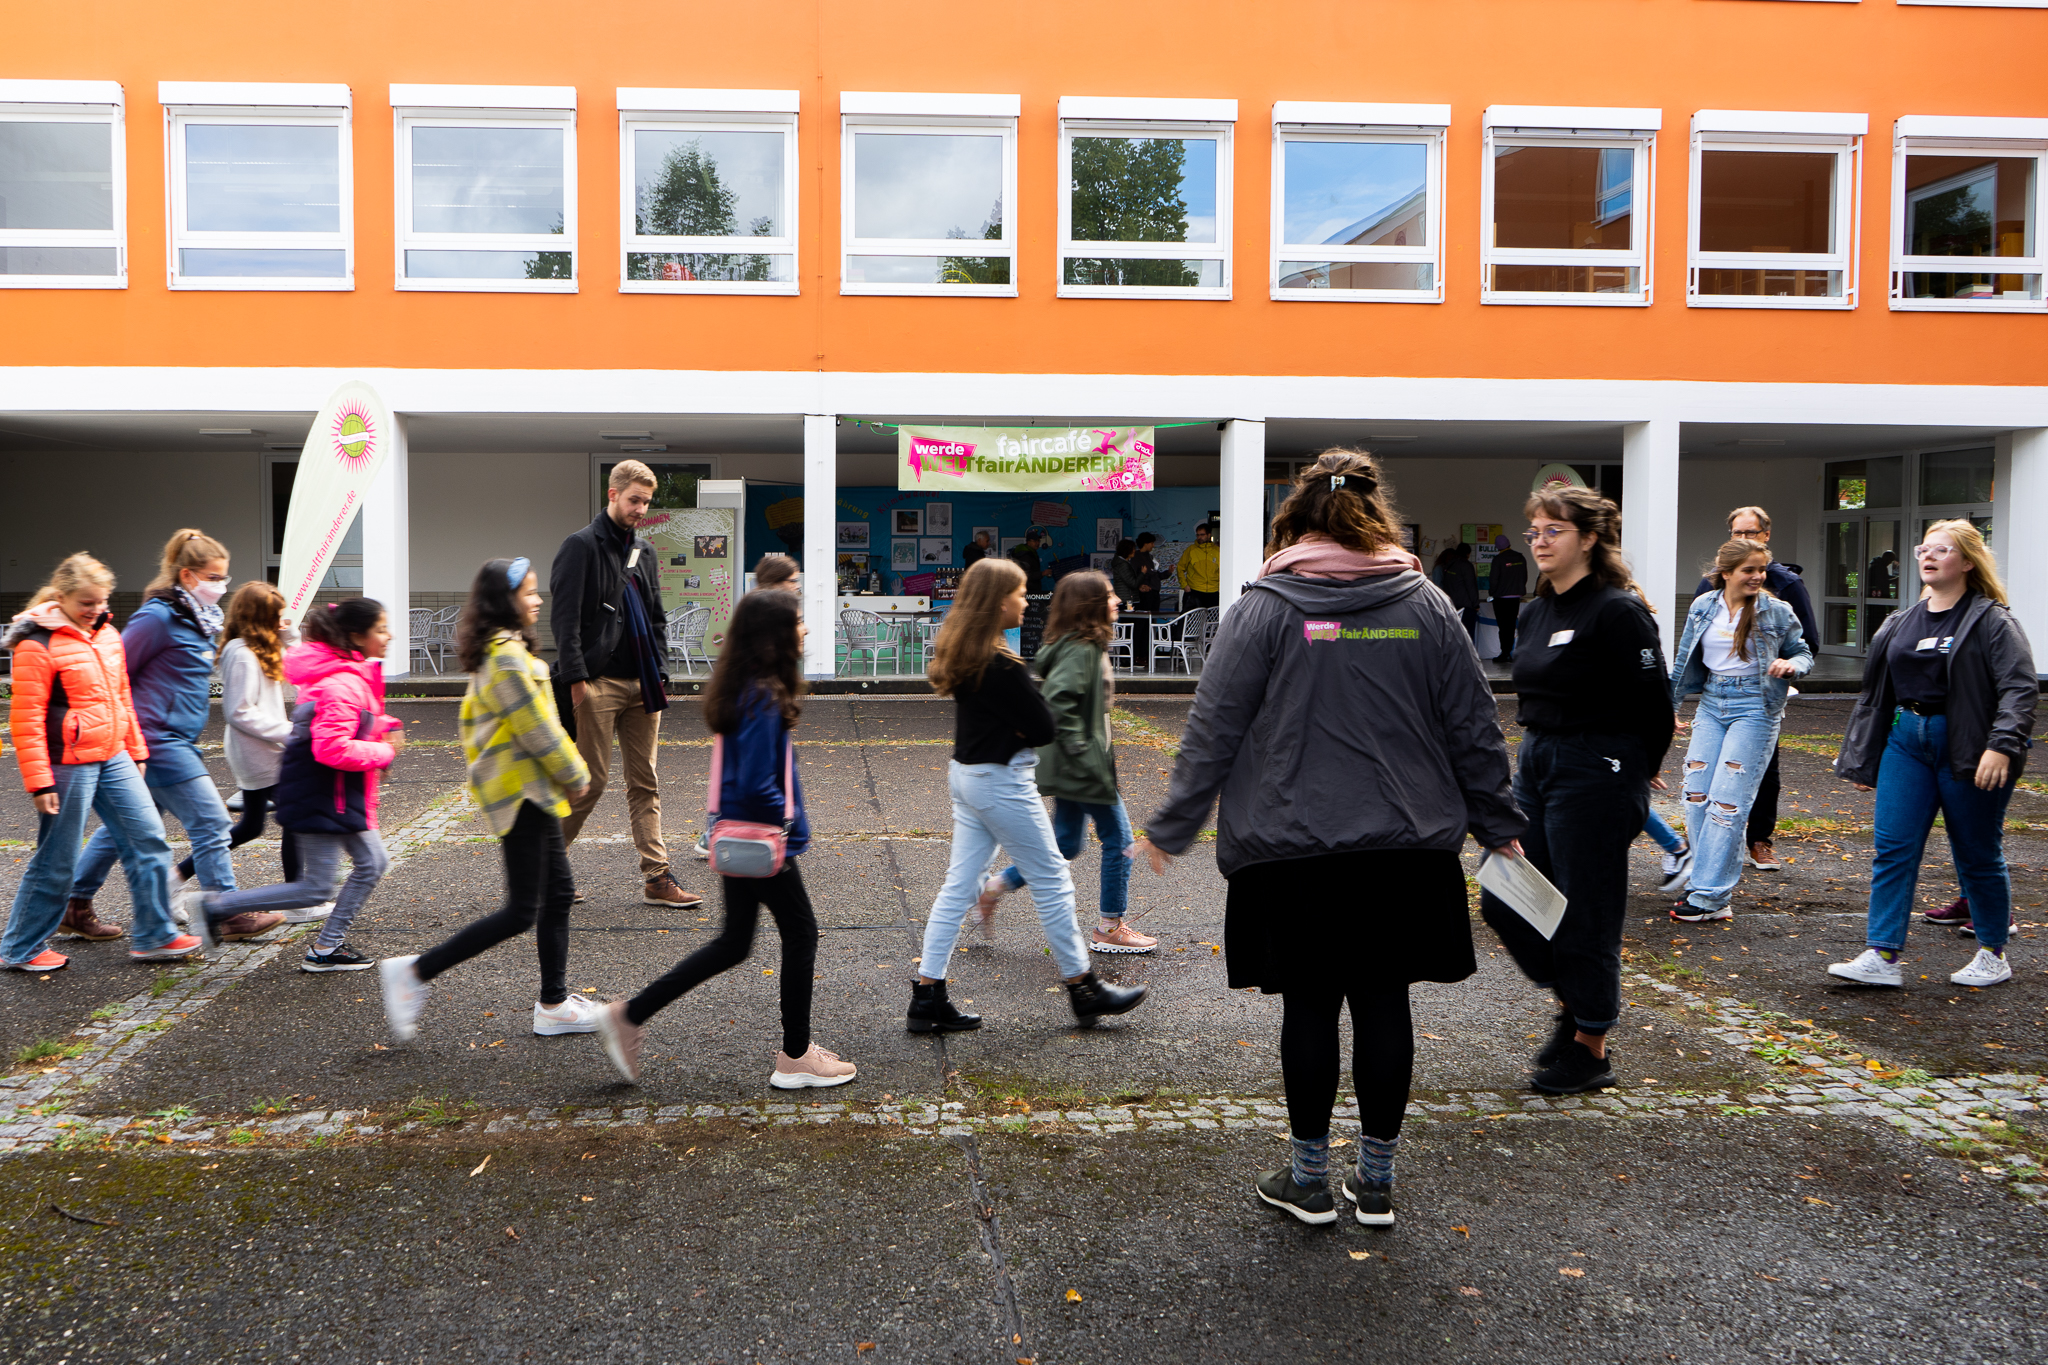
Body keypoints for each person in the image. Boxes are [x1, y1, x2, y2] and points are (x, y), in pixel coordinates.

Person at [1140, 449, 1524, 1229]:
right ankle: (1375, 1182)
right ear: (1375, 514)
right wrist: (1499, 825)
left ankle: (1309, 1177)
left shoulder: (1266, 607)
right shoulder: (1424, 604)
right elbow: (1474, 727)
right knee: (1386, 1002)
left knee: (1310, 1007)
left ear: (1297, 515)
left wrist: (1174, 823)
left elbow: (1215, 725)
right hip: (1405, 850)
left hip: (1294, 850)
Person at [593, 590, 858, 1089]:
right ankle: (797, 1056)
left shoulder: (744, 689)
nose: (805, 630)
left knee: (735, 942)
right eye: (798, 622)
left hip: (736, 837)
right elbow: (758, 782)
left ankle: (629, 1014)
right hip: (761, 842)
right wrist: (787, 824)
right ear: (775, 635)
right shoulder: (762, 697)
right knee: (801, 932)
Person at [1480, 488, 1675, 1096]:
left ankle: (1591, 1045)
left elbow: (1656, 704)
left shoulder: (1617, 611)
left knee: (1586, 914)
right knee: (1505, 896)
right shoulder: (1537, 611)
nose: (1539, 540)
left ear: (1589, 538)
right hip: (1539, 758)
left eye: (1553, 530)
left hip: (1599, 764)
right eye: (1534, 529)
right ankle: (1573, 1001)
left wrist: (1638, 767)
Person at [907, 557, 1147, 1034]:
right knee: (1054, 877)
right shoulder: (1002, 664)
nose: (1025, 601)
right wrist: (1029, 718)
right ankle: (1083, 988)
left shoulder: (969, 656)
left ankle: (927, 994)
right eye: (1019, 593)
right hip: (1001, 782)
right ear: (999, 603)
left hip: (969, 777)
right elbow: (1042, 726)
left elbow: (1032, 719)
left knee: (959, 886)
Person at [380, 559, 602, 1038]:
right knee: (523, 909)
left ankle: (554, 1003)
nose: (537, 600)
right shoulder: (504, 657)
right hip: (518, 790)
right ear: (505, 600)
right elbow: (535, 725)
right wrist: (576, 771)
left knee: (557, 894)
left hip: (529, 789)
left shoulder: (507, 651)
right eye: (528, 592)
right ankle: (414, 972)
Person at [1829, 520, 2035, 990]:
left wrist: (2001, 746)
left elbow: (2019, 689)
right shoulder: (1900, 621)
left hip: (1967, 745)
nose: (1928, 556)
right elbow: (1877, 694)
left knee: (1977, 851)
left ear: (1966, 562)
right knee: (1893, 849)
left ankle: (1992, 952)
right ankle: (1882, 955)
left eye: (1942, 550)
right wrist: (1868, 756)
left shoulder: (1990, 620)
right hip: (1906, 741)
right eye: (1925, 548)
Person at [65, 530, 282, 943]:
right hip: (157, 740)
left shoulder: (196, 618)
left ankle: (75, 904)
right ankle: (225, 912)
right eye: (214, 577)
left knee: (119, 829)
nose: (222, 585)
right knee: (213, 823)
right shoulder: (158, 617)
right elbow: (115, 671)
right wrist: (126, 730)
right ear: (186, 575)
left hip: (175, 739)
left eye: (224, 577)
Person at [2, 554, 202, 968]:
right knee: (57, 858)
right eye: (85, 603)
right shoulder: (36, 643)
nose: (94, 610)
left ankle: (154, 935)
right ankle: (20, 948)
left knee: (149, 839)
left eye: (100, 601)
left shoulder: (108, 634)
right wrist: (40, 782)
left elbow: (121, 696)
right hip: (66, 764)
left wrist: (137, 749)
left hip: (113, 755)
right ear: (60, 597)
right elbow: (26, 718)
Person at [195, 598, 402, 969]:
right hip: (323, 796)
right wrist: (383, 753)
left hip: (331, 794)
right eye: (382, 629)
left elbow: (351, 722)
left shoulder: (346, 673)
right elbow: (331, 748)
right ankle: (217, 906)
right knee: (317, 887)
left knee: (371, 863)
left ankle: (325, 949)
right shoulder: (342, 681)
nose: (389, 636)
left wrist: (388, 728)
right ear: (357, 636)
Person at [977, 570, 1159, 956]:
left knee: (1066, 843)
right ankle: (1110, 926)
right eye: (1110, 595)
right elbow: (1059, 703)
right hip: (1082, 766)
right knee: (1120, 841)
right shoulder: (1083, 650)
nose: (1117, 602)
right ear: (1090, 605)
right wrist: (1083, 752)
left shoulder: (1077, 645)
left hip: (1071, 765)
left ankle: (998, 885)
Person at [551, 459, 701, 910]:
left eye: (646, 502)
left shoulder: (645, 552)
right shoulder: (579, 547)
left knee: (645, 782)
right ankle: (543, 865)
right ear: (612, 494)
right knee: (588, 783)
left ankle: (656, 877)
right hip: (597, 683)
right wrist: (578, 683)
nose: (641, 509)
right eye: (635, 500)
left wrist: (660, 672)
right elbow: (565, 623)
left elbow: (657, 618)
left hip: (643, 684)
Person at [1668, 540, 1813, 924]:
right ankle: (1704, 880)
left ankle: (1712, 895)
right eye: (1749, 570)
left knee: (1728, 802)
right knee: (1696, 793)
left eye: (1761, 570)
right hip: (1713, 700)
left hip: (1756, 706)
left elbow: (1805, 652)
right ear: (1727, 572)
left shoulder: (1776, 610)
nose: (1758, 576)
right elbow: (1683, 660)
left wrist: (1790, 665)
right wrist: (1670, 708)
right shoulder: (1703, 606)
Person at [1691, 506, 1818, 873]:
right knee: (1703, 778)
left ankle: (1759, 840)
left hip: (1762, 694)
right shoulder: (1709, 587)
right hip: (1716, 696)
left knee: (1760, 769)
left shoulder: (1784, 586)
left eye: (1750, 533)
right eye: (1737, 533)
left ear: (1765, 536)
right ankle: (1705, 852)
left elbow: (1807, 641)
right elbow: (1692, 646)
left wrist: (1784, 666)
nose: (1744, 539)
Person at [180, 581, 316, 918]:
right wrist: (289, 732)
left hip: (264, 747)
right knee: (296, 818)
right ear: (258, 618)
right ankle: (294, 899)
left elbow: (300, 672)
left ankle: (174, 876)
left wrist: (290, 636)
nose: (283, 622)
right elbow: (238, 711)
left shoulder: (261, 646)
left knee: (251, 826)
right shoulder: (241, 653)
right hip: (258, 750)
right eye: (278, 617)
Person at [1489, 533, 1528, 662]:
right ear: (1509, 543)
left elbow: (1493, 580)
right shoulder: (1520, 557)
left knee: (1503, 626)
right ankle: (1509, 652)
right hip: (1515, 597)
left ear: (1497, 547)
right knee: (1511, 625)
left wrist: (1492, 592)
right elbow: (1524, 577)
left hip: (1501, 598)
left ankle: (1504, 653)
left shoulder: (1498, 560)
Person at [1438, 541, 1480, 640]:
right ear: (1468, 553)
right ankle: (1468, 655)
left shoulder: (1448, 565)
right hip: (1466, 606)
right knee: (1467, 636)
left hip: (1451, 605)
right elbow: (1471, 586)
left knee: (1453, 635)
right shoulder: (1466, 565)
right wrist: (1476, 604)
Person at [1176, 522, 1220, 610]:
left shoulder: (1217, 550)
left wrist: (1221, 587)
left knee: (1212, 621)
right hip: (1194, 590)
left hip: (1213, 591)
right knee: (1190, 621)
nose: (1199, 537)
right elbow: (1180, 568)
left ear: (1209, 535)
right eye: (1197, 535)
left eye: (1202, 535)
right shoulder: (1191, 550)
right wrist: (1184, 585)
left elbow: (1224, 570)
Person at [1133, 532, 1162, 614]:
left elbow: (1155, 573)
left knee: (1153, 619)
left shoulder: (1150, 557)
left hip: (1153, 591)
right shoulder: (1136, 556)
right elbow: (1133, 574)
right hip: (1144, 593)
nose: (1153, 545)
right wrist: (1140, 585)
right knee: (1144, 619)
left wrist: (1168, 573)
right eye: (1152, 543)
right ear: (1145, 543)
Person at [1109, 538, 1142, 610]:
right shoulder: (1123, 565)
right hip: (1126, 600)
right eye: (1133, 549)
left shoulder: (1121, 563)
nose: (1134, 551)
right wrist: (1142, 573)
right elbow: (1133, 583)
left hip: (1125, 598)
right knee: (1129, 620)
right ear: (1127, 550)